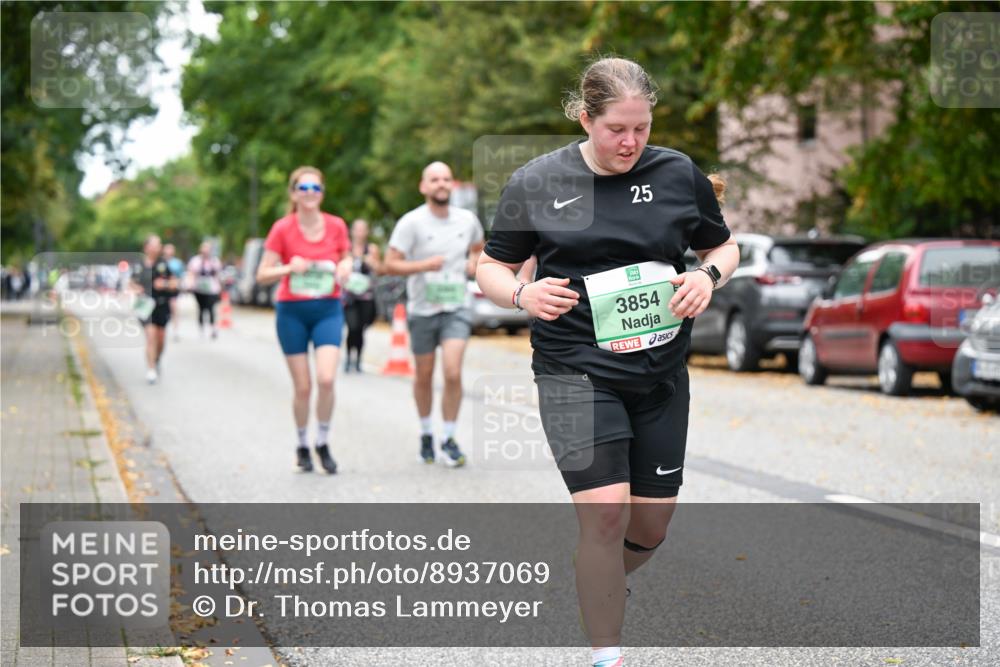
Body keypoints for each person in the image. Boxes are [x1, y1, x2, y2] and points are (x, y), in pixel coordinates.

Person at [475, 57, 739, 667]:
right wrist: (522, 294)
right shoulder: (537, 181)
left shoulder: (677, 173)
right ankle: (607, 653)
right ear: (585, 118)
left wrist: (707, 277)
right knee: (603, 515)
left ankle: (599, 580)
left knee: (649, 527)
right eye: (617, 129)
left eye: (642, 128)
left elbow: (724, 245)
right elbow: (489, 265)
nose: (630, 142)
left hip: (660, 373)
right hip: (573, 367)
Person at [383, 162, 485, 467]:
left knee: (453, 372)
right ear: (423, 186)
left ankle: (449, 437)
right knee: (424, 375)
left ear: (451, 184)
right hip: (422, 309)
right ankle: (427, 432)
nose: (441, 184)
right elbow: (391, 263)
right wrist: (422, 266)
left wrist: (473, 261)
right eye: (434, 180)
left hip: (456, 306)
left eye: (445, 179)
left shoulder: (467, 220)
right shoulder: (411, 222)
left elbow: (480, 248)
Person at [255, 166, 352, 474]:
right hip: (292, 312)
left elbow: (346, 255)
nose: (310, 193)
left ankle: (322, 441)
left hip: (327, 309)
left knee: (326, 379)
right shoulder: (282, 229)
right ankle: (301, 444)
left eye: (316, 188)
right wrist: (287, 268)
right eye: (304, 188)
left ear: (322, 193)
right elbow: (261, 275)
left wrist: (347, 266)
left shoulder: (336, 225)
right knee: (303, 387)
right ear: (294, 193)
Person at [132, 234, 179, 384]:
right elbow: (130, 283)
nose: (158, 247)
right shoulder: (139, 265)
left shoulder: (163, 264)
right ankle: (151, 369)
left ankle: (157, 359)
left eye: (159, 245)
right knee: (150, 336)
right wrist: (136, 289)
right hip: (145, 306)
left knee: (160, 339)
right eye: (155, 244)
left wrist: (163, 285)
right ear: (147, 247)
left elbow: (174, 283)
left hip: (161, 304)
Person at [342, 219, 381, 373]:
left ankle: (358, 359)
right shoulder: (346, 248)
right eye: (357, 229)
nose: (359, 233)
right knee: (352, 327)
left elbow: (379, 270)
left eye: (362, 229)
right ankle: (347, 357)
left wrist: (371, 262)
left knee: (361, 329)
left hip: (366, 296)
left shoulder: (371, 249)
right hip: (350, 296)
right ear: (352, 231)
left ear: (367, 232)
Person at [186, 241, 223, 339]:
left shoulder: (214, 261)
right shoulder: (195, 261)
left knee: (211, 308)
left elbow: (218, 275)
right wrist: (190, 285)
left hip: (212, 289)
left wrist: (220, 288)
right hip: (199, 288)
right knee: (201, 309)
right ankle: (201, 329)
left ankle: (212, 328)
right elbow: (191, 273)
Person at [163, 243, 185, 342]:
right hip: (161, 291)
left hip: (173, 291)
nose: (168, 252)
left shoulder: (177, 263)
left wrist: (177, 284)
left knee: (174, 309)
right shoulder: (160, 262)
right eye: (167, 250)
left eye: (170, 250)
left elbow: (181, 277)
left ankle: (176, 331)